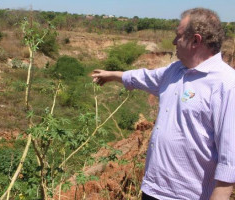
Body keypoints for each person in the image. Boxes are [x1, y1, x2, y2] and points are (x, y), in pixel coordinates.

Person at [92, 8, 235, 200]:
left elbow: (229, 161)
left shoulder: (226, 84)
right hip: (153, 190)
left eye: (179, 36)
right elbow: (144, 77)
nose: (174, 42)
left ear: (196, 40)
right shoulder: (175, 71)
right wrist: (112, 75)